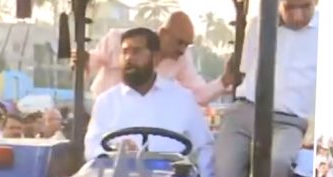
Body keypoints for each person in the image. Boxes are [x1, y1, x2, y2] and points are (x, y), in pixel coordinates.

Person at [213, 0, 318, 177]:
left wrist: (312, 131)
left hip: (289, 121)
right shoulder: (257, 25)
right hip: (245, 112)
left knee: (279, 164)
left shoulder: (324, 34)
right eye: (291, 7)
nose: (299, 16)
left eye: (306, 7)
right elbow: (246, 70)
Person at [84, 28, 215, 177]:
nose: (129, 58)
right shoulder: (106, 101)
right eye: (125, 52)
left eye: (137, 52)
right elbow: (91, 148)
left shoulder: (182, 99)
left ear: (154, 57)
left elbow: (204, 146)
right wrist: (116, 150)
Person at [77, 11, 233, 106]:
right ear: (163, 33)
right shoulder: (120, 39)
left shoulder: (182, 58)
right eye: (179, 42)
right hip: (104, 110)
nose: (182, 49)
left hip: (143, 117)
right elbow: (91, 63)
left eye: (187, 45)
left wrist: (223, 82)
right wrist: (82, 60)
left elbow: (197, 94)